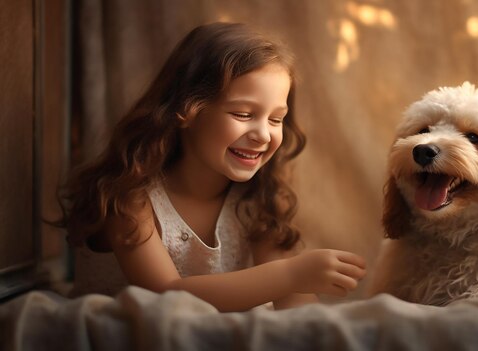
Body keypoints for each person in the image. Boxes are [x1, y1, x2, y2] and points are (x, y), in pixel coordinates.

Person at [54, 22, 366, 312]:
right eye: (243, 114)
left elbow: (296, 309)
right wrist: (291, 273)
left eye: (275, 119)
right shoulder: (129, 199)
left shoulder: (258, 200)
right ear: (187, 110)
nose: (262, 135)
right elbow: (165, 296)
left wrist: (302, 289)